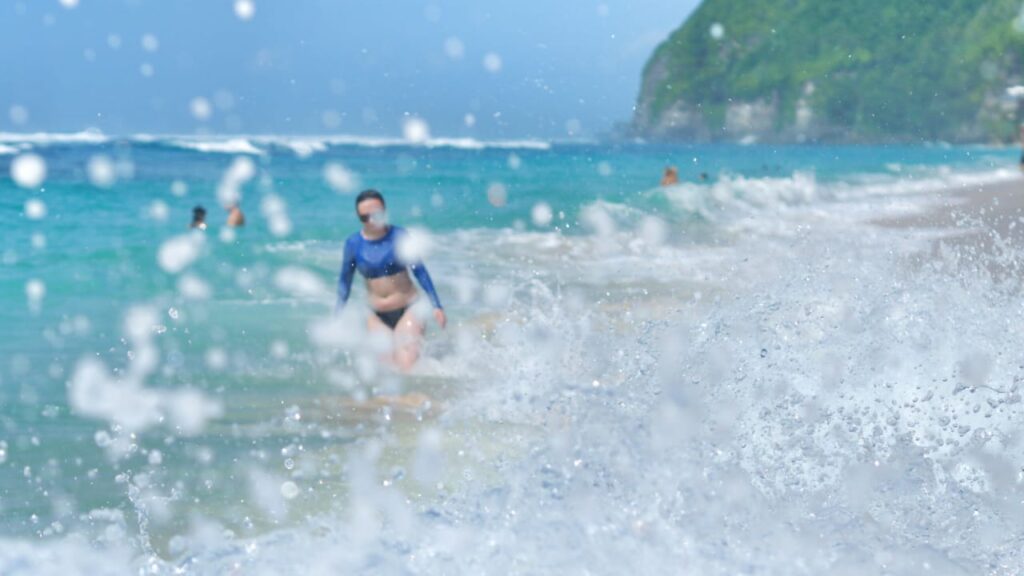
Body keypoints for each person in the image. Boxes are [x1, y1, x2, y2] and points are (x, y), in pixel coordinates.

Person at [336, 189, 446, 371]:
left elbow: (420, 271)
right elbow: (344, 281)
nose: (372, 220)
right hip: (376, 315)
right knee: (386, 371)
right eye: (365, 217)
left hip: (409, 310)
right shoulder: (353, 243)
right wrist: (338, 316)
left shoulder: (399, 236)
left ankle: (418, 398)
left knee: (407, 366)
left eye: (376, 214)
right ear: (359, 218)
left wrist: (437, 305)